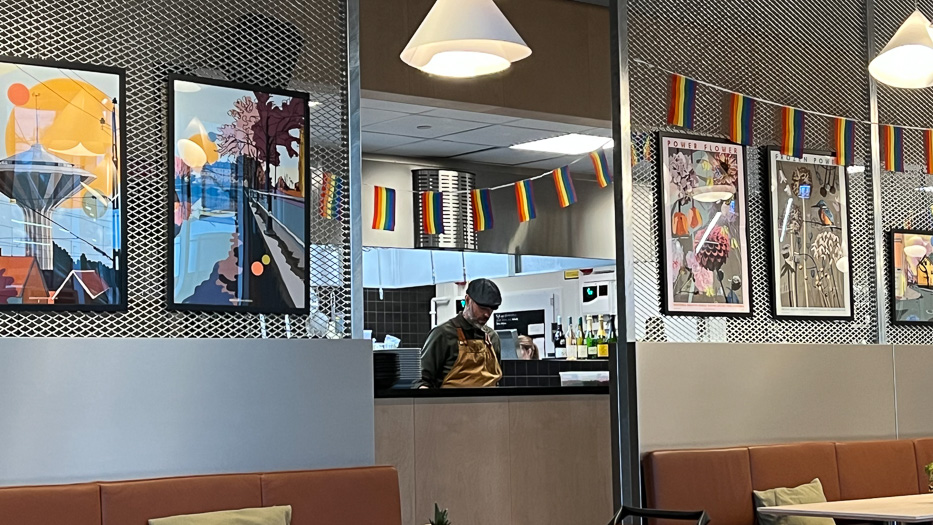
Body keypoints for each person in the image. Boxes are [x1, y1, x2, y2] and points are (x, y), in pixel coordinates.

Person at [418, 278, 502, 388]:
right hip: (451, 404)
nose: (487, 314)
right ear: (467, 300)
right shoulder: (443, 335)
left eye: (491, 309)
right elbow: (421, 379)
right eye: (482, 308)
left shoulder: (492, 338)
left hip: (490, 404)